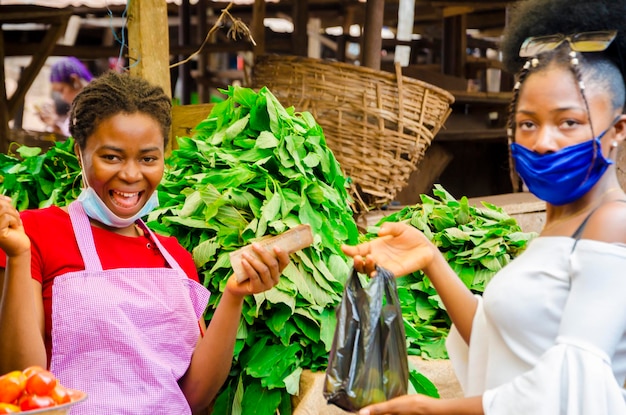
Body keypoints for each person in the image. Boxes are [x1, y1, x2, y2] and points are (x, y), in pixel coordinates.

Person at [341, 0, 626, 413]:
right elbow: (502, 346)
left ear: (617, 128)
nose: (544, 142)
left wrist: (434, 409)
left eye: (569, 122)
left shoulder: (612, 223)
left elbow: (570, 385)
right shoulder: (560, 222)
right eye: (528, 123)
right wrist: (432, 260)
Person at [0, 71, 290, 414]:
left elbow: (194, 398)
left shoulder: (175, 259)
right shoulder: (32, 234)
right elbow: (18, 382)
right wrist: (17, 256)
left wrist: (234, 295)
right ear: (80, 153)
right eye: (111, 157)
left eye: (148, 159)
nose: (132, 175)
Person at [37, 57, 94, 136]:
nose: (62, 97)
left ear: (74, 81)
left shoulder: (94, 108)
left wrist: (55, 125)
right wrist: (54, 125)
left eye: (62, 90)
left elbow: (79, 143)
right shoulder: (77, 109)